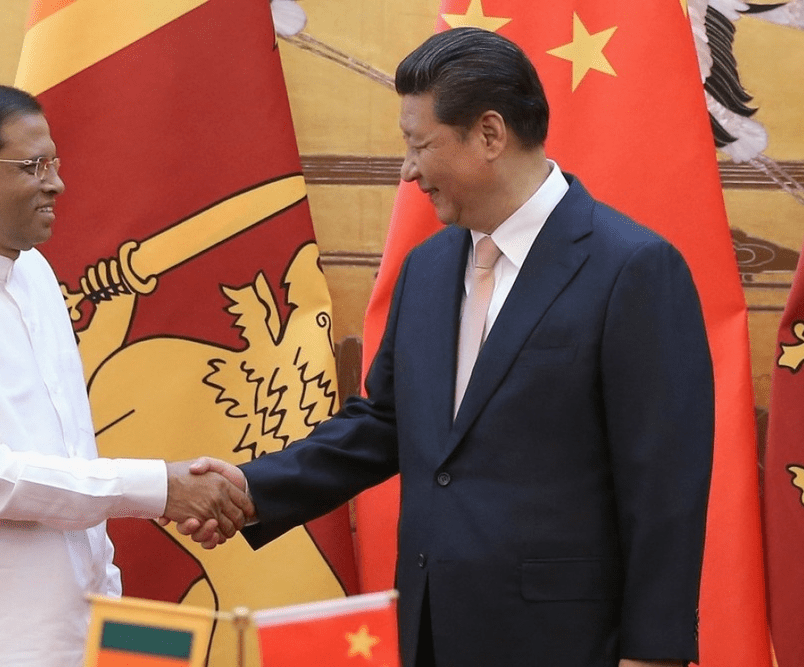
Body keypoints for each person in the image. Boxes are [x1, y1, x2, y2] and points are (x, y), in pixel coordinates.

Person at [187, 27, 713, 667]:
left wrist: (653, 654)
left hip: (568, 644)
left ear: (489, 135)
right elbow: (385, 423)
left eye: (419, 145)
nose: (408, 170)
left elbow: (664, 486)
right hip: (432, 630)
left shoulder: (632, 267)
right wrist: (251, 486)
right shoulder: (429, 269)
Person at [0, 81, 252, 667]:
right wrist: (160, 488)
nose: (56, 183)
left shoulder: (35, 274)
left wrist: (107, 598)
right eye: (33, 166)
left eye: (55, 163)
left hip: (75, 632)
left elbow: (68, 452)